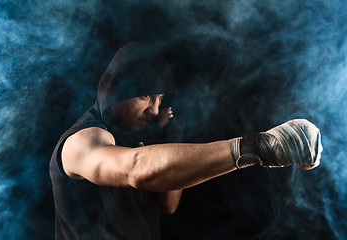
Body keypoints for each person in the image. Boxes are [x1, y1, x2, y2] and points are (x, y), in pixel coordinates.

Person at [49, 42, 323, 240]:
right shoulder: (83, 141)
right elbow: (136, 169)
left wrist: (172, 136)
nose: (154, 110)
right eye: (145, 96)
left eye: (159, 100)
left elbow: (168, 205)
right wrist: (257, 147)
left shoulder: (135, 140)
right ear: (116, 92)